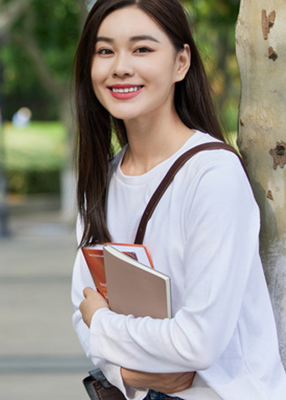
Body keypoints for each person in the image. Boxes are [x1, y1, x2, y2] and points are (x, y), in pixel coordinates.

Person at [70, 1, 286, 399]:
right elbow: (82, 310)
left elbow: (198, 341)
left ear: (181, 62)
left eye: (142, 49)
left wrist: (104, 327)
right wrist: (136, 375)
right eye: (105, 51)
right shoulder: (98, 182)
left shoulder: (212, 175)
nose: (120, 66)